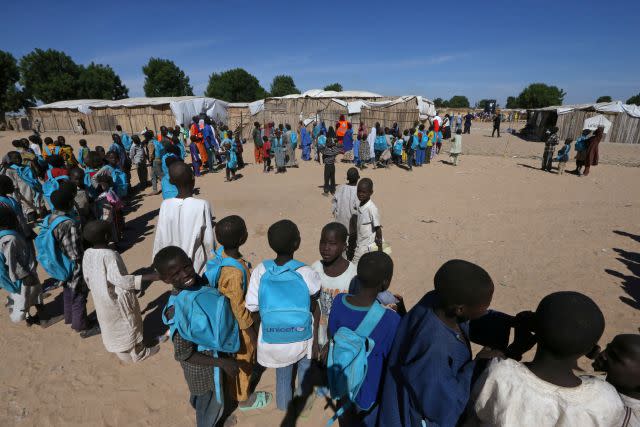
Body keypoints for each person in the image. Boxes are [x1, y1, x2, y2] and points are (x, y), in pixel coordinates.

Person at [466, 291, 625, 426]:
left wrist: (515, 349)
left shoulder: (500, 374)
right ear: (590, 349)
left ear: (534, 329)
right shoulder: (605, 399)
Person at [377, 260, 498, 427]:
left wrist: (509, 322)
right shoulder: (434, 350)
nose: (486, 310)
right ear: (460, 309)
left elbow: (471, 322)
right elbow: (442, 407)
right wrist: (477, 365)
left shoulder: (436, 300)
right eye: (485, 307)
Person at [153, 246, 239, 427]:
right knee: (208, 403)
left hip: (212, 359)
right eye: (175, 274)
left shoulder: (197, 282)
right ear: (165, 279)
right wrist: (222, 363)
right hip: (202, 371)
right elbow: (184, 354)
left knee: (205, 399)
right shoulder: (177, 313)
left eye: (186, 267)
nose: (185, 274)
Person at [245, 220, 321, 412]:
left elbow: (252, 306)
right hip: (301, 335)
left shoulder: (261, 271)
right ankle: (302, 403)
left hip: (274, 337)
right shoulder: (305, 271)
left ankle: (283, 405)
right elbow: (315, 296)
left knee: (283, 374)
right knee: (304, 367)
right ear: (297, 243)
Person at [328, 251, 400, 426]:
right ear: (385, 283)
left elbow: (332, 334)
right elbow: (393, 358)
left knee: (345, 417)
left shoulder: (338, 301)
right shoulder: (391, 320)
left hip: (343, 377)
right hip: (369, 386)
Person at [211, 216, 272, 410]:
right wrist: (251, 332)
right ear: (242, 238)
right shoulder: (234, 272)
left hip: (230, 321)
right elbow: (238, 307)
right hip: (239, 326)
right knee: (244, 358)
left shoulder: (221, 255)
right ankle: (243, 398)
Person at [82, 220, 160, 362]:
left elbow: (87, 277)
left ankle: (123, 354)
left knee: (112, 327)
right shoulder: (110, 255)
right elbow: (122, 281)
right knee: (128, 323)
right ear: (107, 236)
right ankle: (139, 354)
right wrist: (151, 277)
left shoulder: (87, 253)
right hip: (116, 300)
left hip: (101, 299)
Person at [44, 184, 100, 338]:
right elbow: (74, 251)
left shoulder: (52, 218)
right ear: (70, 204)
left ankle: (70, 317)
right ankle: (81, 325)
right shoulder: (69, 224)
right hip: (74, 264)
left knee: (69, 291)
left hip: (61, 263)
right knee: (79, 294)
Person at [152, 162, 215, 275]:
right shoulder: (202, 205)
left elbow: (159, 238)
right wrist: (213, 263)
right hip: (196, 268)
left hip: (173, 271)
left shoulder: (165, 205)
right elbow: (208, 241)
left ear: (170, 182)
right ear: (193, 177)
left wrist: (158, 264)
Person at [311, 222, 357, 349]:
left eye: (332, 244)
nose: (326, 248)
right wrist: (314, 340)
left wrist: (332, 343)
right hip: (318, 337)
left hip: (340, 342)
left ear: (344, 247)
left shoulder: (353, 275)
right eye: (323, 242)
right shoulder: (315, 269)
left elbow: (351, 314)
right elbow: (313, 306)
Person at [0, 206, 48, 326]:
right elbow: (13, 262)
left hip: (21, 275)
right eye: (14, 218)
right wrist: (25, 276)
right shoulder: (10, 239)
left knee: (27, 296)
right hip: (25, 276)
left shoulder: (6, 236)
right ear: (8, 221)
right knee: (31, 295)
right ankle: (43, 319)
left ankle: (29, 318)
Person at [593, 334, 640, 426]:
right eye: (608, 348)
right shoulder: (600, 382)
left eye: (614, 356)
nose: (602, 355)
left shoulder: (625, 420)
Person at [349, 178, 382, 264]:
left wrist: (380, 248)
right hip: (360, 242)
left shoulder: (372, 209)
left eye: (364, 192)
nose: (360, 194)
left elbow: (378, 228)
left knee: (354, 266)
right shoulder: (360, 203)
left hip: (366, 246)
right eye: (358, 191)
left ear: (371, 193)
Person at [145, 131, 164, 195]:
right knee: (153, 175)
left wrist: (150, 161)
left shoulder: (150, 143)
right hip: (159, 159)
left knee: (161, 175)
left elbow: (151, 154)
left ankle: (167, 187)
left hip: (155, 161)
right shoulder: (156, 141)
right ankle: (155, 190)